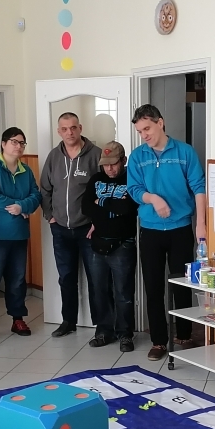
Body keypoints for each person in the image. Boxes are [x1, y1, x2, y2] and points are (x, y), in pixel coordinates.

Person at [126, 104, 207, 361]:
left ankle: (184, 335)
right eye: (140, 131)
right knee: (153, 288)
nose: (144, 135)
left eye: (147, 129)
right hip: (150, 231)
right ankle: (159, 341)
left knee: (182, 285)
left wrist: (201, 223)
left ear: (160, 123)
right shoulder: (137, 156)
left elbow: (199, 187)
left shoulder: (185, 152)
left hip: (180, 228)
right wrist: (153, 198)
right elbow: (134, 189)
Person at [0, 127, 41, 343]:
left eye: (22, 143)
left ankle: (17, 319)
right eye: (14, 142)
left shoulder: (26, 170)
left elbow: (36, 195)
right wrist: (19, 206)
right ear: (3, 144)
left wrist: (22, 206)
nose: (18, 146)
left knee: (17, 280)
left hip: (18, 234)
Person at [39, 112, 102, 338]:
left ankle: (101, 325)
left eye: (73, 127)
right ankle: (68, 321)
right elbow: (45, 189)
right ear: (59, 132)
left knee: (96, 278)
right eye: (64, 129)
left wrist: (98, 221)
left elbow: (104, 190)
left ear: (80, 128)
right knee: (66, 278)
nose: (69, 132)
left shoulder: (95, 155)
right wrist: (50, 216)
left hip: (88, 229)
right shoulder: (54, 157)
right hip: (61, 229)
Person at [81, 141, 138, 352]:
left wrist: (101, 202)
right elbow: (85, 207)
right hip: (97, 244)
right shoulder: (96, 179)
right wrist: (111, 205)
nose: (110, 169)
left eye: (114, 164)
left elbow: (128, 207)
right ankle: (104, 332)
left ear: (123, 160)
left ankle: (125, 335)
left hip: (123, 245)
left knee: (123, 293)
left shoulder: (132, 179)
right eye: (106, 165)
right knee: (99, 291)